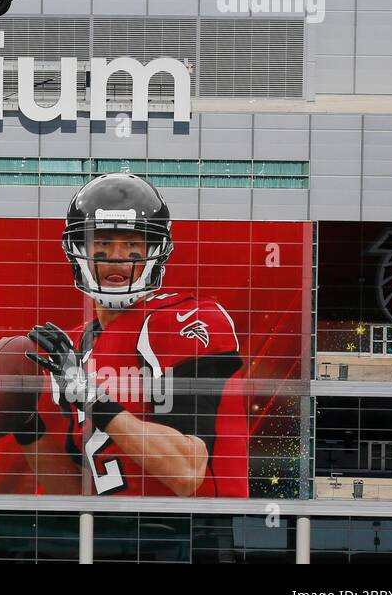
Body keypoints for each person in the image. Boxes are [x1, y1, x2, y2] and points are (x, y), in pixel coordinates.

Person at [15, 173, 249, 497]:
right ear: (79, 249)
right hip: (106, 535)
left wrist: (92, 397)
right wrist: (25, 426)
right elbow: (71, 489)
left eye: (131, 243)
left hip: (192, 536)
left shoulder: (183, 321)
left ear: (154, 251)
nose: (117, 256)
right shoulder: (69, 349)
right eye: (103, 242)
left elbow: (187, 471)